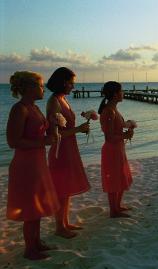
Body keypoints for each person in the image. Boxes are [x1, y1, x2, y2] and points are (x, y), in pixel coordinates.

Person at [6, 71, 59, 260]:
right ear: (28, 88)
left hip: (38, 162)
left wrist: (53, 125)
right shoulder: (19, 109)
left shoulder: (35, 108)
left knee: (36, 205)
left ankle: (36, 242)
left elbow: (41, 135)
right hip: (25, 165)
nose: (43, 89)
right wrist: (42, 142)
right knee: (30, 207)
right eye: (40, 85)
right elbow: (13, 141)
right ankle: (30, 249)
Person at [46, 67, 90, 238]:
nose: (73, 86)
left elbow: (67, 127)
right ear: (64, 82)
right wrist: (78, 129)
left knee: (67, 188)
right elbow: (54, 134)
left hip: (70, 148)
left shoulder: (63, 99)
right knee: (61, 189)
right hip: (60, 150)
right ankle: (59, 227)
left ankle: (64, 222)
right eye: (71, 83)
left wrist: (80, 128)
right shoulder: (54, 101)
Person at [98, 81, 133, 218]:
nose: (123, 93)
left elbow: (116, 131)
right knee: (113, 179)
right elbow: (109, 137)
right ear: (115, 94)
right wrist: (124, 135)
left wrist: (128, 129)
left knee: (121, 176)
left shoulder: (114, 109)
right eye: (121, 91)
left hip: (118, 148)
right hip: (111, 150)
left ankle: (117, 206)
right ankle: (113, 210)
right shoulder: (109, 111)